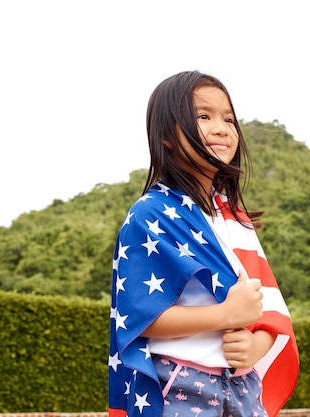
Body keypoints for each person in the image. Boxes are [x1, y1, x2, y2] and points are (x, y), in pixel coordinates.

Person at [108, 70, 299, 417]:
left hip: (243, 388)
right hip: (180, 386)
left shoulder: (235, 219)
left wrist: (257, 345)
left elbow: (268, 307)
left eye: (228, 118)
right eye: (203, 116)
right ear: (166, 135)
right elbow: (139, 316)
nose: (222, 128)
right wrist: (224, 315)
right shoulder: (151, 214)